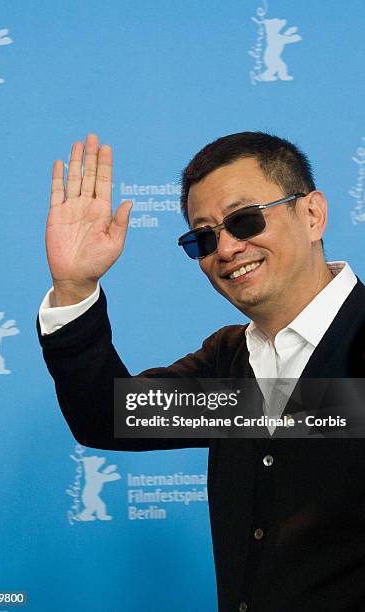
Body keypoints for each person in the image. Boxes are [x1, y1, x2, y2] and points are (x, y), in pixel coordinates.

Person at [37, 131, 365, 612]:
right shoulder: (231, 366)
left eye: (245, 220)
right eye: (204, 237)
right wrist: (73, 286)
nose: (226, 249)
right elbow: (108, 414)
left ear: (312, 214)